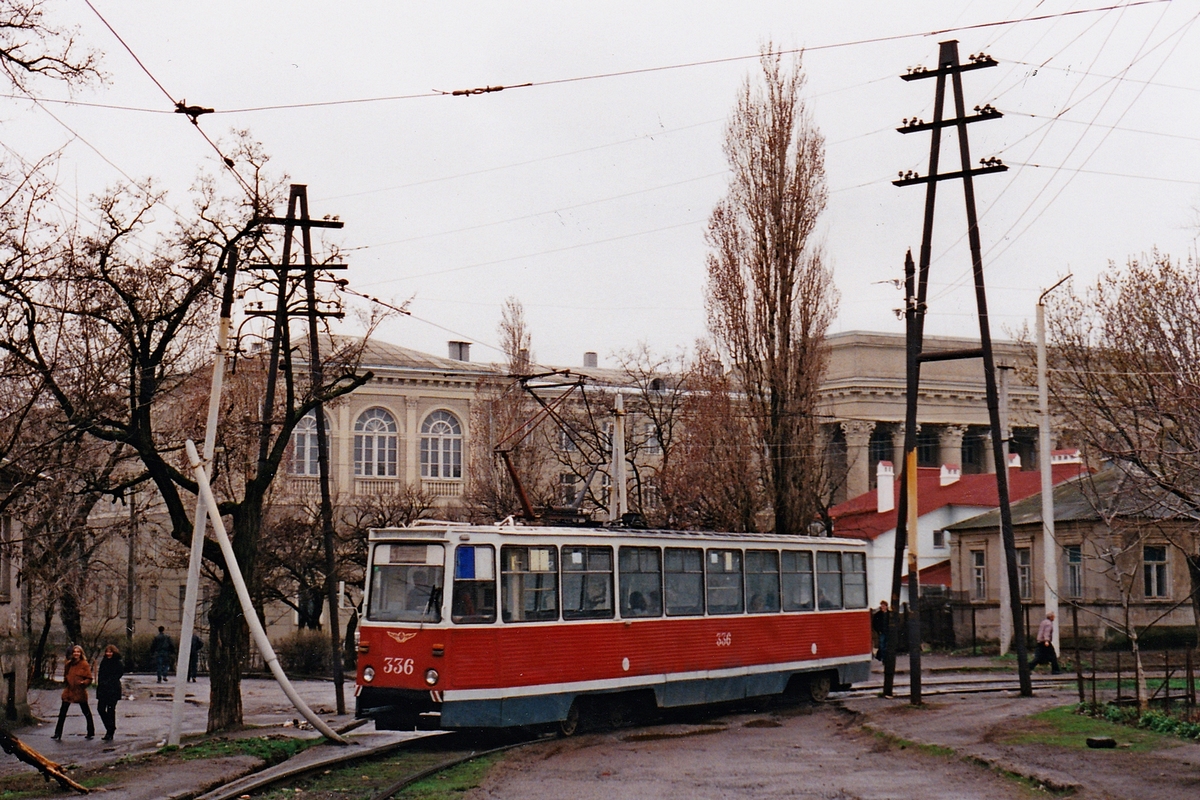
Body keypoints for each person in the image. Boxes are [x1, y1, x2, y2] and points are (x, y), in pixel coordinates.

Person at [52, 646, 94, 741]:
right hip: (69, 691)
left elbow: (89, 678)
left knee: (86, 712)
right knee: (62, 712)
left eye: (78, 652)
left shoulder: (84, 664)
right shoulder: (69, 664)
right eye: (74, 652)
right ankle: (57, 733)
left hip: (79, 691)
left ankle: (90, 731)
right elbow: (66, 675)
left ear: (81, 653)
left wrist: (84, 683)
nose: (76, 654)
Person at [96, 645, 124, 741]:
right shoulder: (104, 662)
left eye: (110, 652)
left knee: (111, 710)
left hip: (113, 689)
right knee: (100, 709)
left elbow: (118, 675)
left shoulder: (118, 663)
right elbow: (100, 675)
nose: (108, 654)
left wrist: (108, 682)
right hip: (103, 689)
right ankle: (110, 726)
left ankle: (110, 732)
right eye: (107, 652)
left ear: (114, 652)